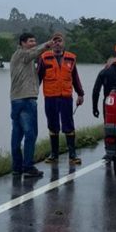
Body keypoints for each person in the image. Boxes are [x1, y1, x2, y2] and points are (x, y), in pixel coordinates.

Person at [10, 32, 54, 178]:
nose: (33, 43)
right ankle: (28, 166)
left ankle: (17, 167)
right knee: (30, 134)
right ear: (22, 43)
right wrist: (47, 45)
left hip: (16, 100)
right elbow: (34, 53)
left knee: (17, 133)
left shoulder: (24, 59)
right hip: (26, 99)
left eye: (35, 41)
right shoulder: (22, 55)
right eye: (30, 41)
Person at [37, 32, 84, 165]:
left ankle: (72, 155)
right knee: (53, 125)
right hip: (50, 97)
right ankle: (54, 155)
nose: (57, 43)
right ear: (51, 43)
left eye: (60, 41)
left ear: (64, 43)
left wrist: (80, 94)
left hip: (66, 97)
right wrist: (32, 94)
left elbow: (75, 78)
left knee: (68, 125)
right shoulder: (44, 57)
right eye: (55, 41)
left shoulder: (71, 58)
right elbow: (38, 77)